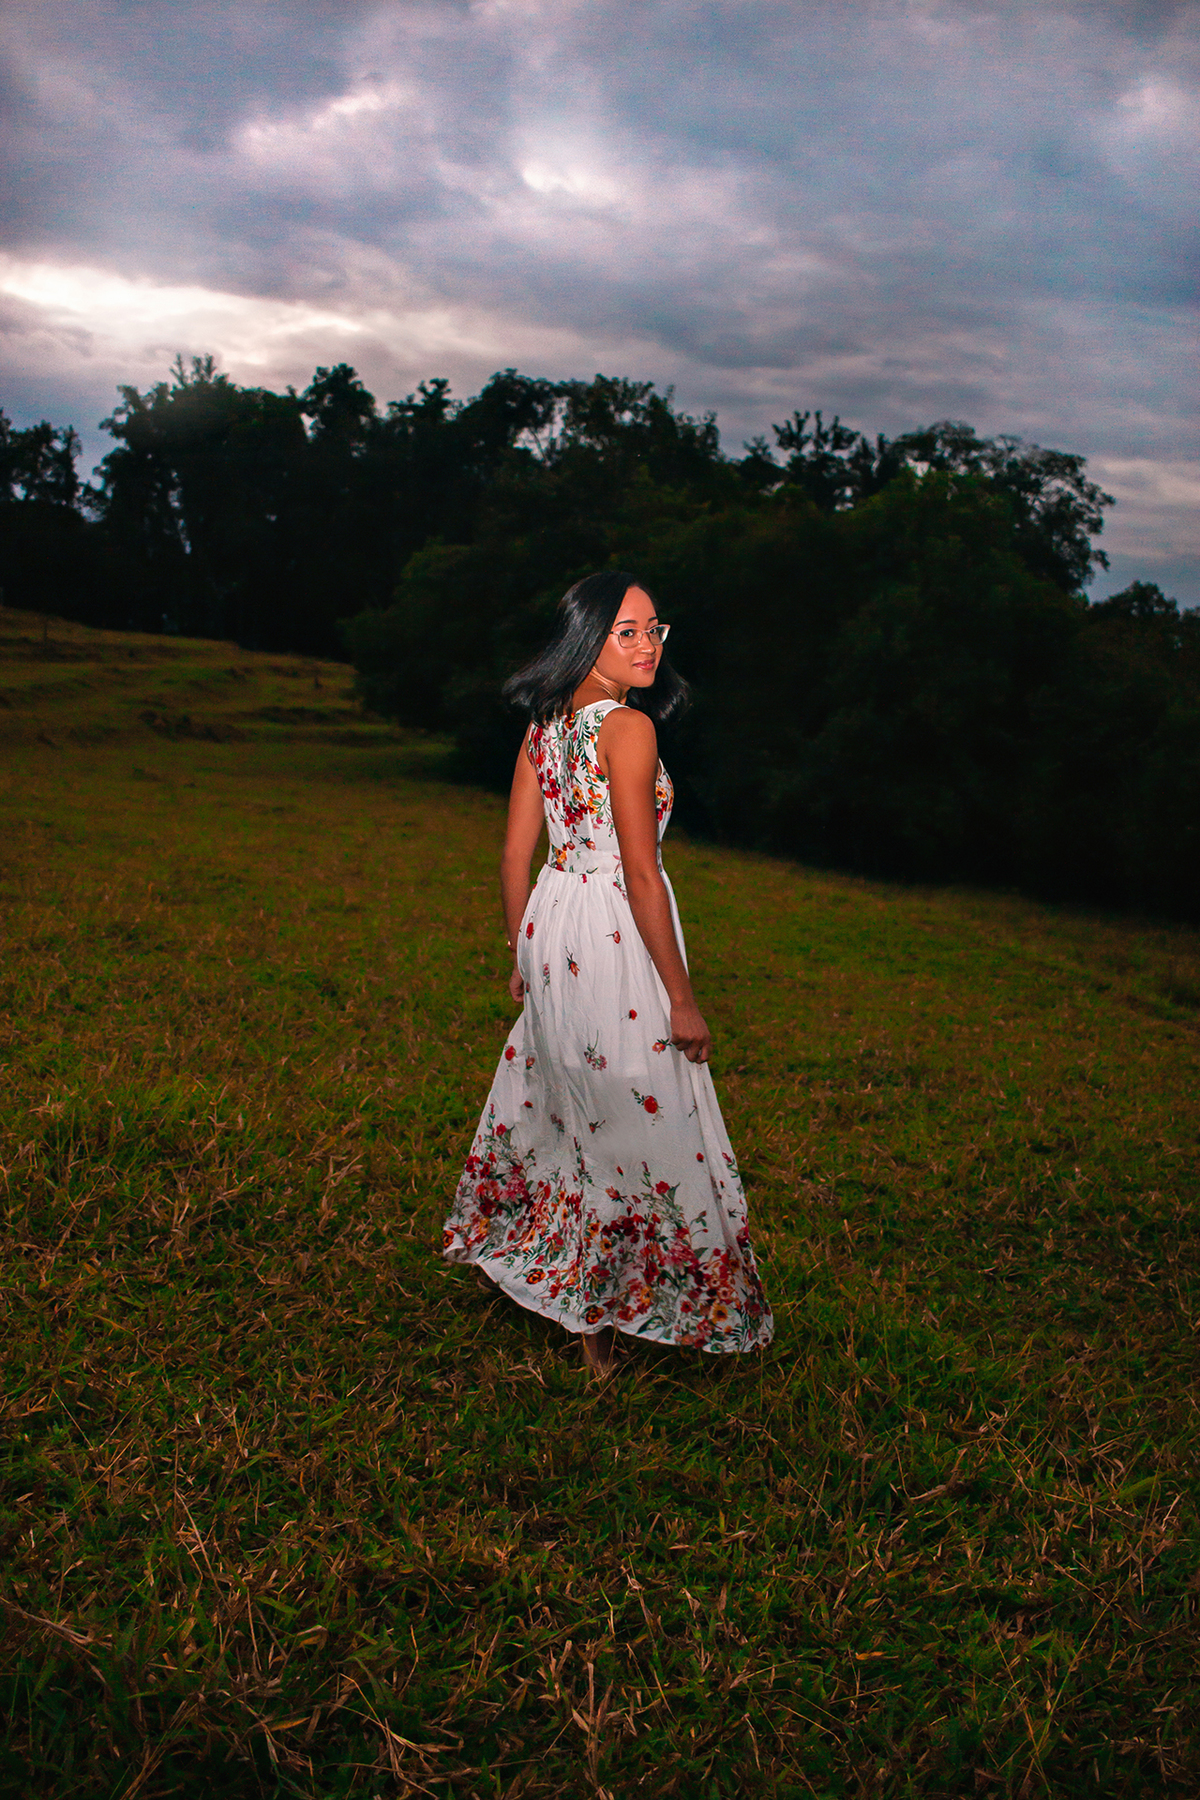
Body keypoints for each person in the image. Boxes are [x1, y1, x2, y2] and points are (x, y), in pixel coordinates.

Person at [442, 571, 773, 1377]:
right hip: (612, 930)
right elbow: (640, 870)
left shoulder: (543, 728)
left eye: (656, 628)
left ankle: (585, 1306)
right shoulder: (626, 730)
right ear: (585, 637)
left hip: (555, 922)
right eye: (626, 631)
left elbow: (518, 855)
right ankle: (616, 1306)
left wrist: (524, 950)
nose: (647, 645)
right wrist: (682, 998)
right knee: (637, 1114)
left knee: (575, 1107)